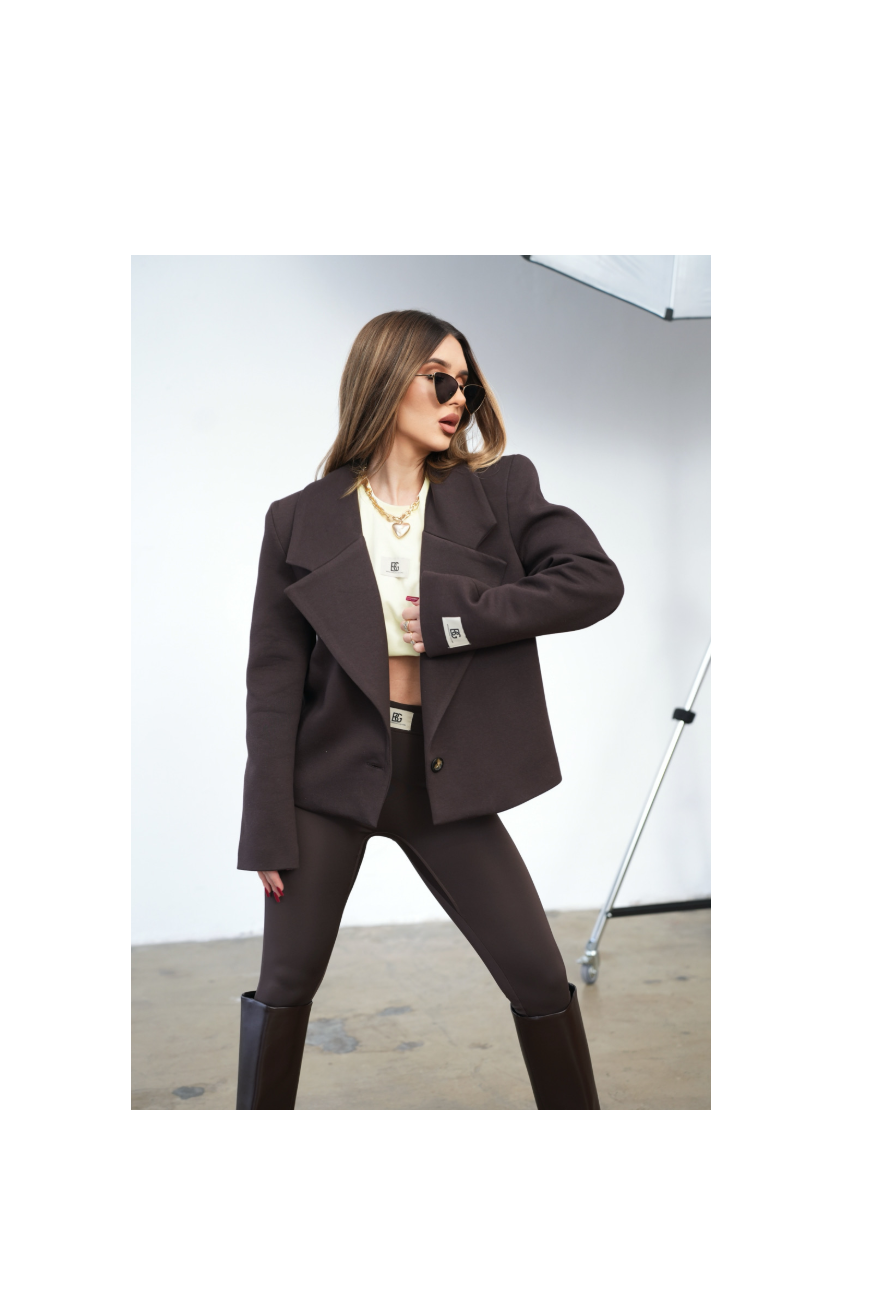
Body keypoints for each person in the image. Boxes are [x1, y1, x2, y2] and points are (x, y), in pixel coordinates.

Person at [236, 309, 624, 1110]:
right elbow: (272, 682)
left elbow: (594, 580)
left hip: (445, 779)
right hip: (327, 784)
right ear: (385, 378)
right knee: (285, 982)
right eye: (441, 379)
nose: (457, 400)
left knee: (536, 974)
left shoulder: (499, 490)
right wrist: (265, 822)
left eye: (467, 387)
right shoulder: (297, 518)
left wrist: (461, 618)